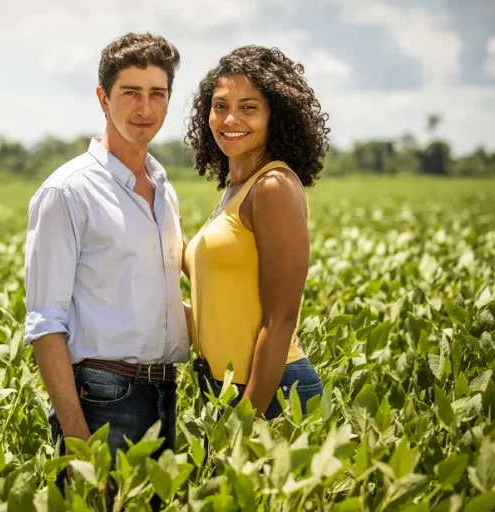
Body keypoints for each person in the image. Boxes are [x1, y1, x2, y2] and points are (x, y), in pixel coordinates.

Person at [23, 32, 189, 474]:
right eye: (130, 93)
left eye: (158, 94)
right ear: (103, 98)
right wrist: (78, 439)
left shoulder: (163, 190)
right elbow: (45, 324)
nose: (145, 109)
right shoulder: (67, 191)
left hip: (166, 391)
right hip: (102, 396)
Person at [183, 45, 330, 420]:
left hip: (271, 392)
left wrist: (245, 420)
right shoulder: (236, 190)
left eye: (248, 107)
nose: (230, 118)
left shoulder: (273, 187)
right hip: (224, 389)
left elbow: (280, 321)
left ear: (275, 117)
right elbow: (220, 290)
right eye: (220, 106)